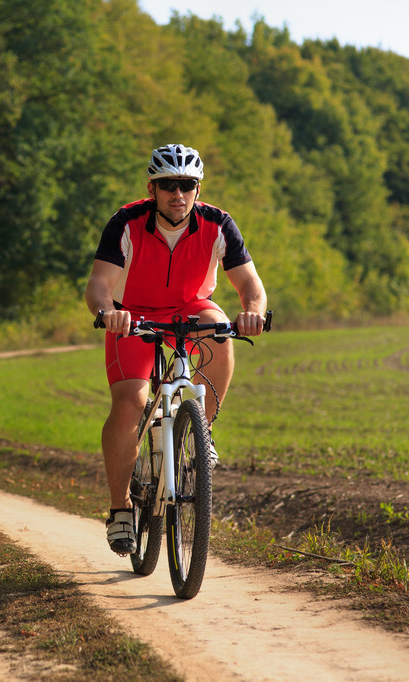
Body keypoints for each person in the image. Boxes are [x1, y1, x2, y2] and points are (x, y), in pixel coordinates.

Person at [85, 143, 268, 555]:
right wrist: (107, 311)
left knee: (219, 329)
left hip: (190, 308)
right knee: (130, 403)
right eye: (168, 184)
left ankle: (201, 430)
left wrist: (253, 311)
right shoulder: (126, 223)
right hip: (133, 316)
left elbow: (249, 283)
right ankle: (121, 509)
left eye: (186, 185)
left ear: (198, 189)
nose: (177, 194)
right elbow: (99, 283)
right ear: (152, 188)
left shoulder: (218, 224)